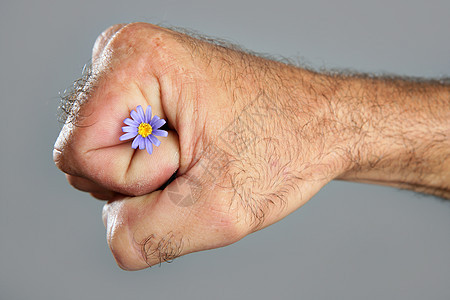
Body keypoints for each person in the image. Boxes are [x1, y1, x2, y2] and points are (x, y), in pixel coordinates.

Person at [53, 23, 450, 270]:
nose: (142, 129)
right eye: (140, 129)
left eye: (145, 128)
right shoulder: (146, 132)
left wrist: (329, 122)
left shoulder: (148, 131)